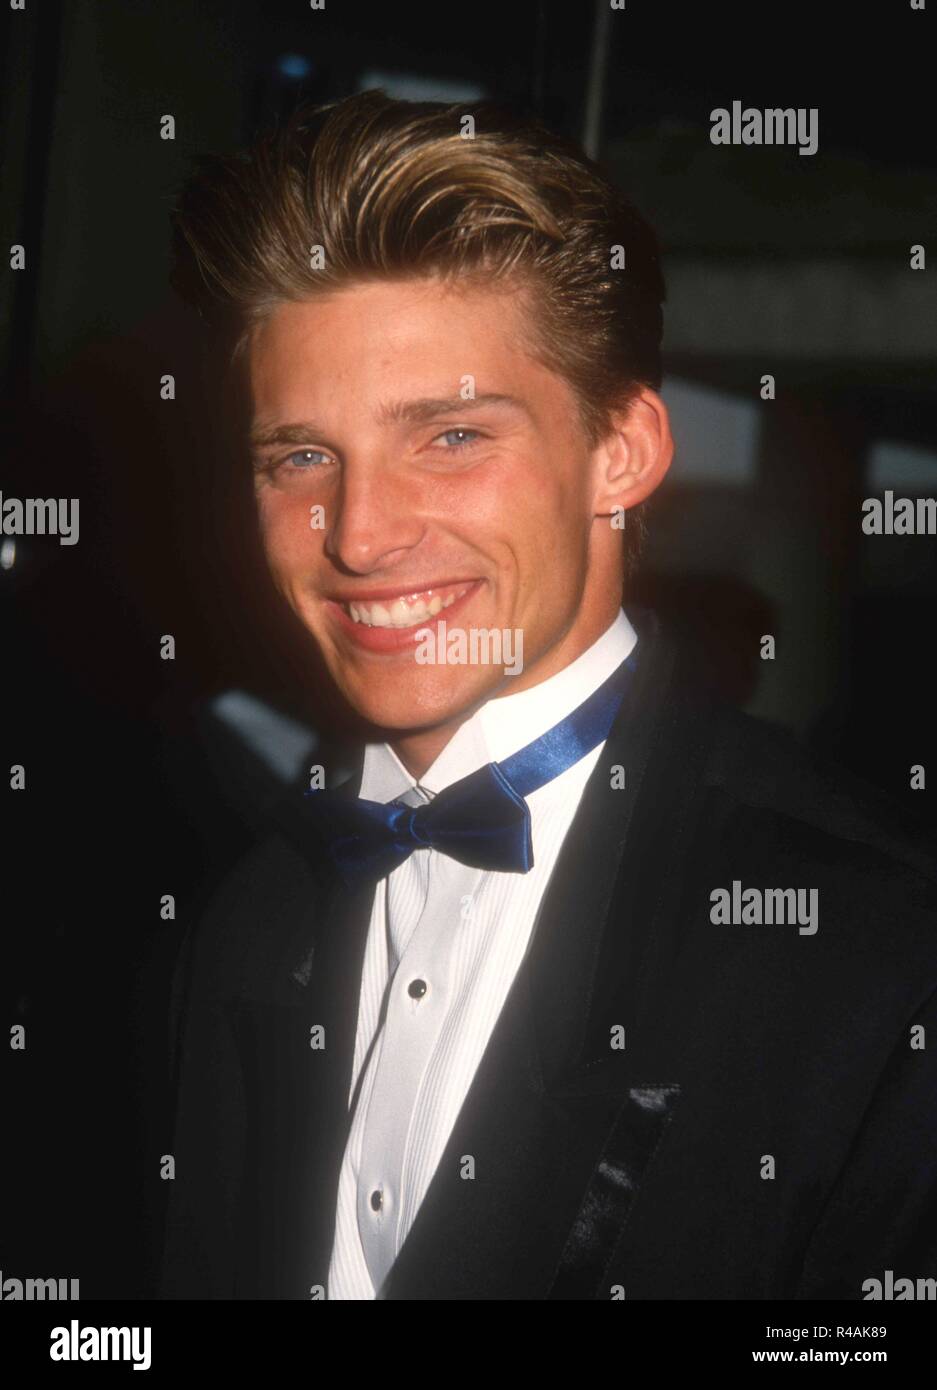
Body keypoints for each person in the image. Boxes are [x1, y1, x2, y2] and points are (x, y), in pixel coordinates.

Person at [160, 90, 937, 1300]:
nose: (358, 535)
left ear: (618, 454)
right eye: (301, 456)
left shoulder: (877, 948)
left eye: (452, 436)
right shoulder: (249, 907)